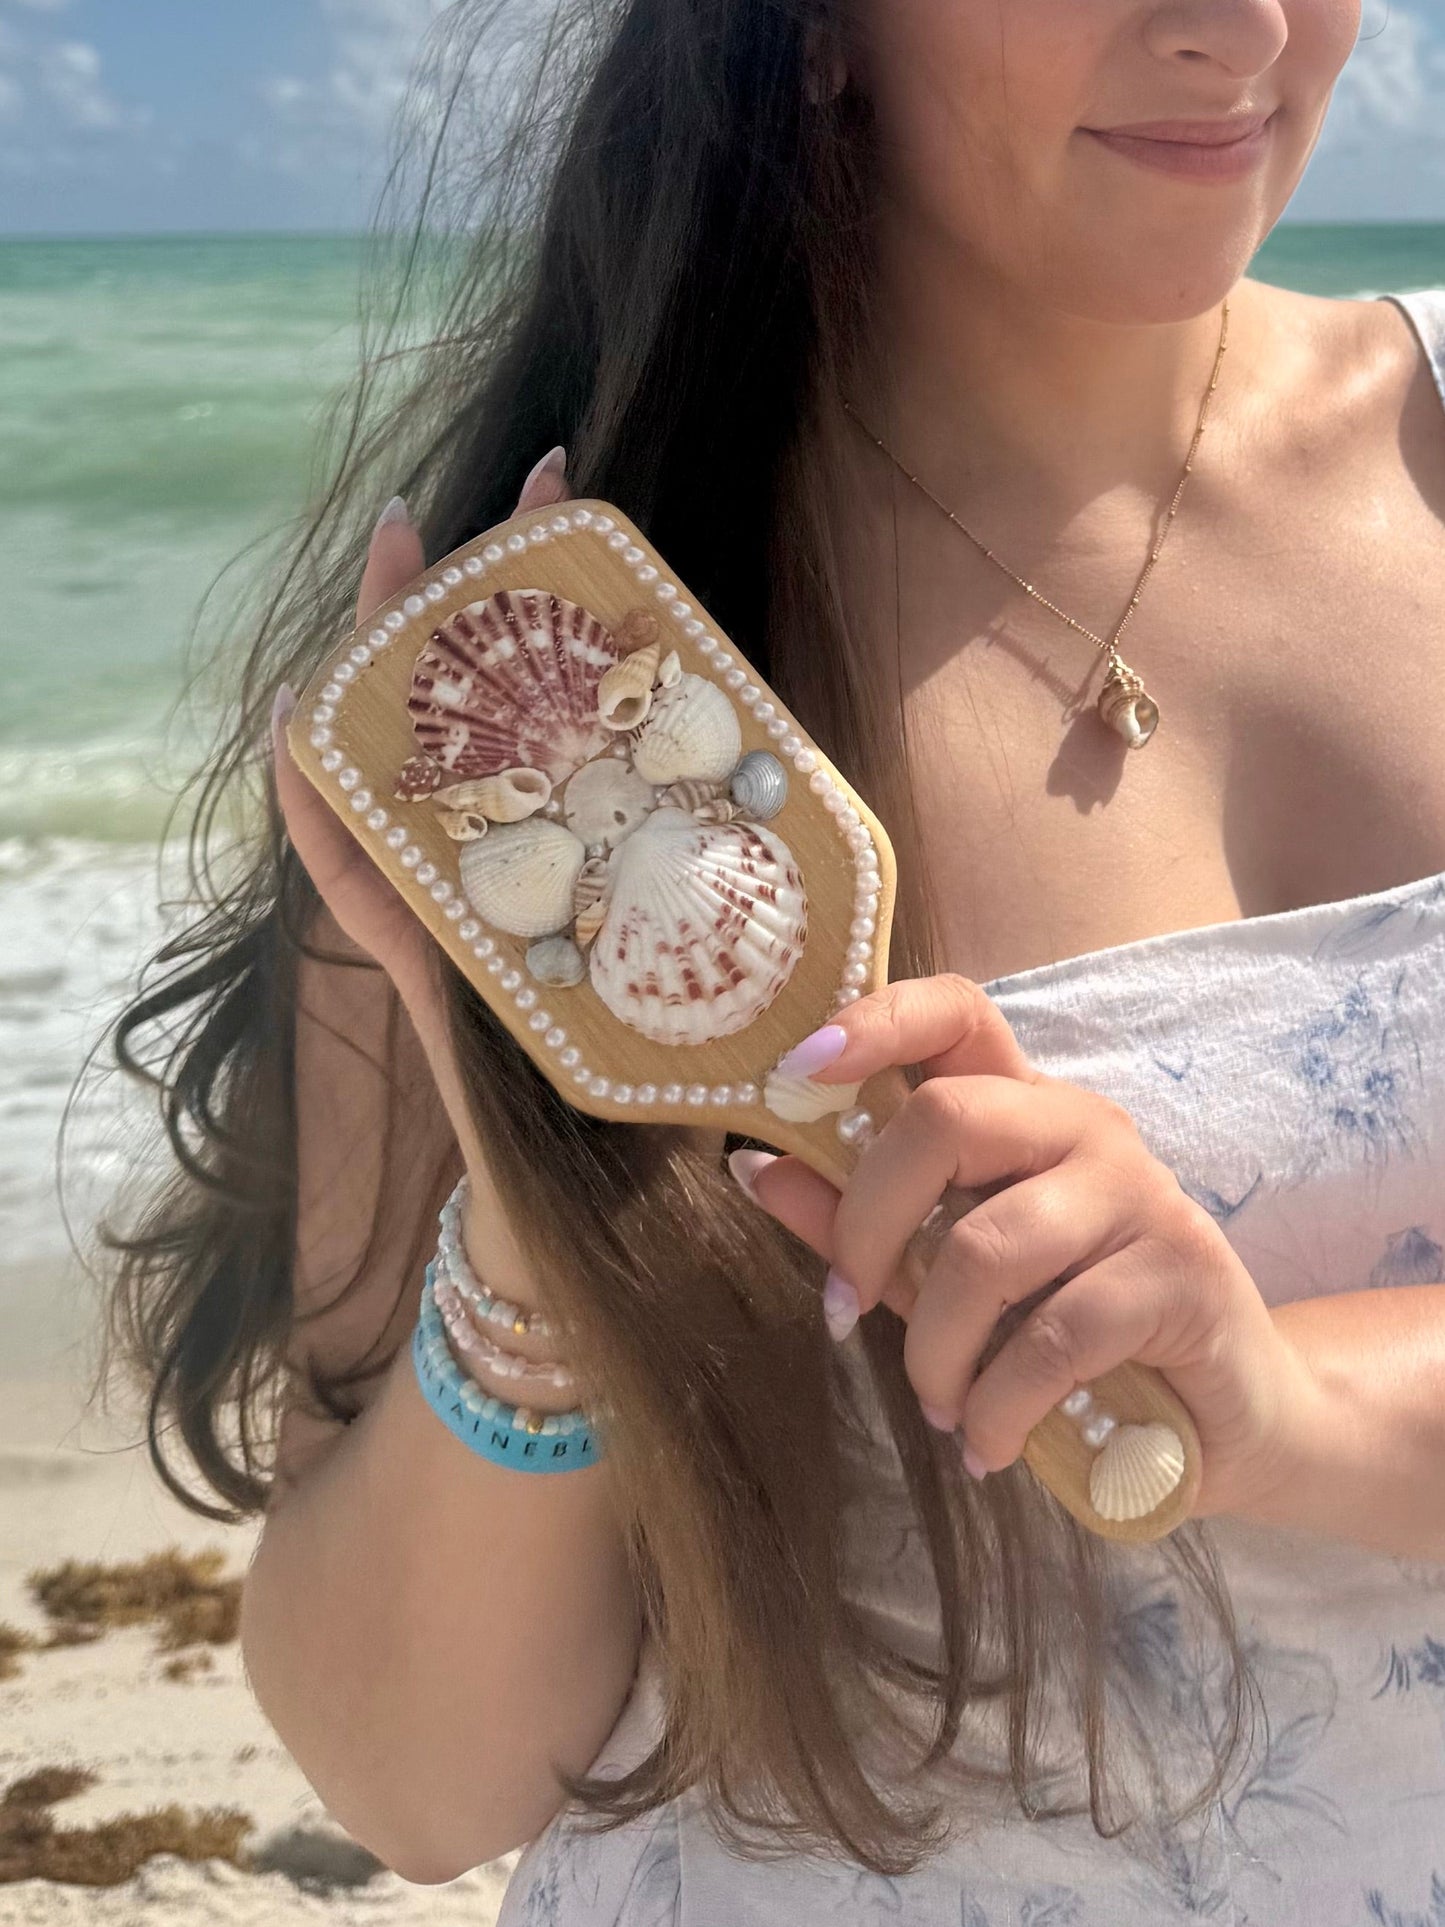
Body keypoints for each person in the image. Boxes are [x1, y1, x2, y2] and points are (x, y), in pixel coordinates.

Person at [94, 0, 1445, 1919]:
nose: (1239, 23)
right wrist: (545, 1211)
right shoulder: (579, 714)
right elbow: (418, 1783)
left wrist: (1292, 1412)